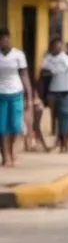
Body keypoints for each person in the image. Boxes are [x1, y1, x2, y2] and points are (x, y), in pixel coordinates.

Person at [0, 29, 32, 167]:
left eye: (6, 38)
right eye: (1, 39)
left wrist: (29, 96)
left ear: (9, 39)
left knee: (14, 127)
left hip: (16, 93)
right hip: (1, 94)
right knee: (2, 128)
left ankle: (12, 151)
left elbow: (24, 75)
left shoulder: (18, 55)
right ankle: (6, 156)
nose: (4, 41)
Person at [41, 37, 68, 153]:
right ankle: (59, 139)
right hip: (53, 92)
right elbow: (43, 74)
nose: (58, 48)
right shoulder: (47, 59)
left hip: (67, 91)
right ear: (51, 47)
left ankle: (64, 141)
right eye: (55, 46)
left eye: (60, 45)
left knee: (66, 117)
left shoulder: (65, 58)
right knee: (56, 117)